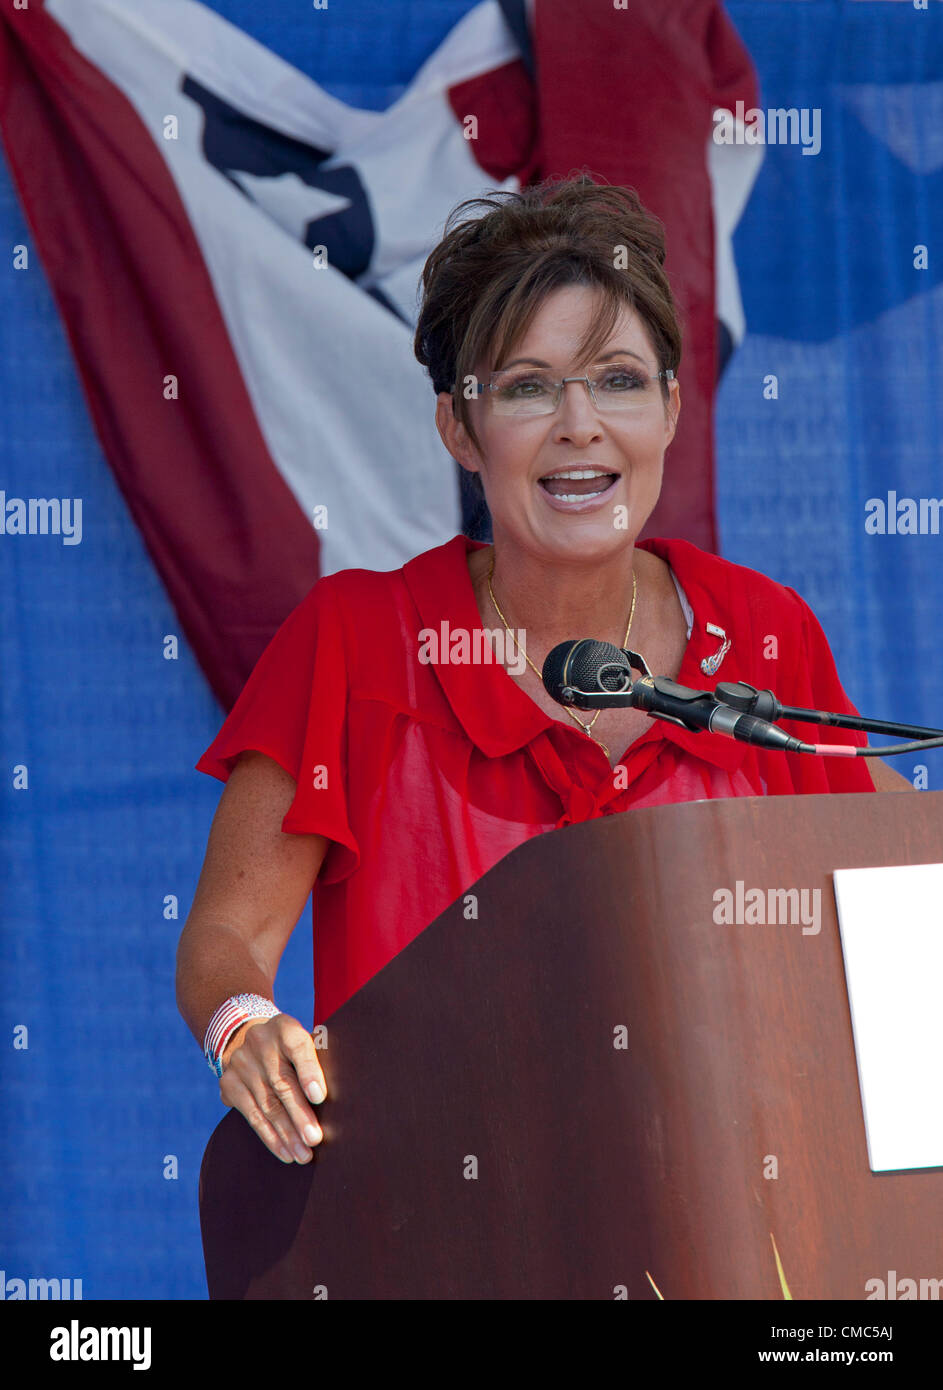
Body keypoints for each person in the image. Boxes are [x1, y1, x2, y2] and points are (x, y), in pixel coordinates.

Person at [175, 175, 912, 1170]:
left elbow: (898, 879)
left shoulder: (759, 629)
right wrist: (242, 1024)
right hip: (445, 1223)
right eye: (526, 386)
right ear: (458, 428)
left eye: (616, 378)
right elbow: (226, 932)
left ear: (669, 408)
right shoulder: (359, 640)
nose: (579, 423)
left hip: (737, 1222)